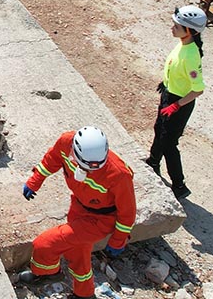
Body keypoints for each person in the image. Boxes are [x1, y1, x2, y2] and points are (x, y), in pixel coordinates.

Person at [19, 127, 136, 298]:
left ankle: (48, 273)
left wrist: (118, 241)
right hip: (79, 207)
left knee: (44, 244)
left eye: (95, 168)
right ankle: (85, 294)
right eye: (85, 167)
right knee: (78, 253)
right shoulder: (66, 142)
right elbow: (52, 159)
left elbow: (128, 212)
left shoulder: (119, 175)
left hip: (101, 221)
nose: (90, 172)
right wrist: (34, 181)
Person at [145, 5, 207, 200]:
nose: (173, 27)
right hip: (169, 95)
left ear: (191, 31)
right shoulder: (184, 43)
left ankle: (179, 185)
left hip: (178, 103)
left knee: (170, 143)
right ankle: (153, 162)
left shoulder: (191, 55)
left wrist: (176, 105)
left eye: (177, 26)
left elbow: (198, 89)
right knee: (159, 130)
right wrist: (165, 84)